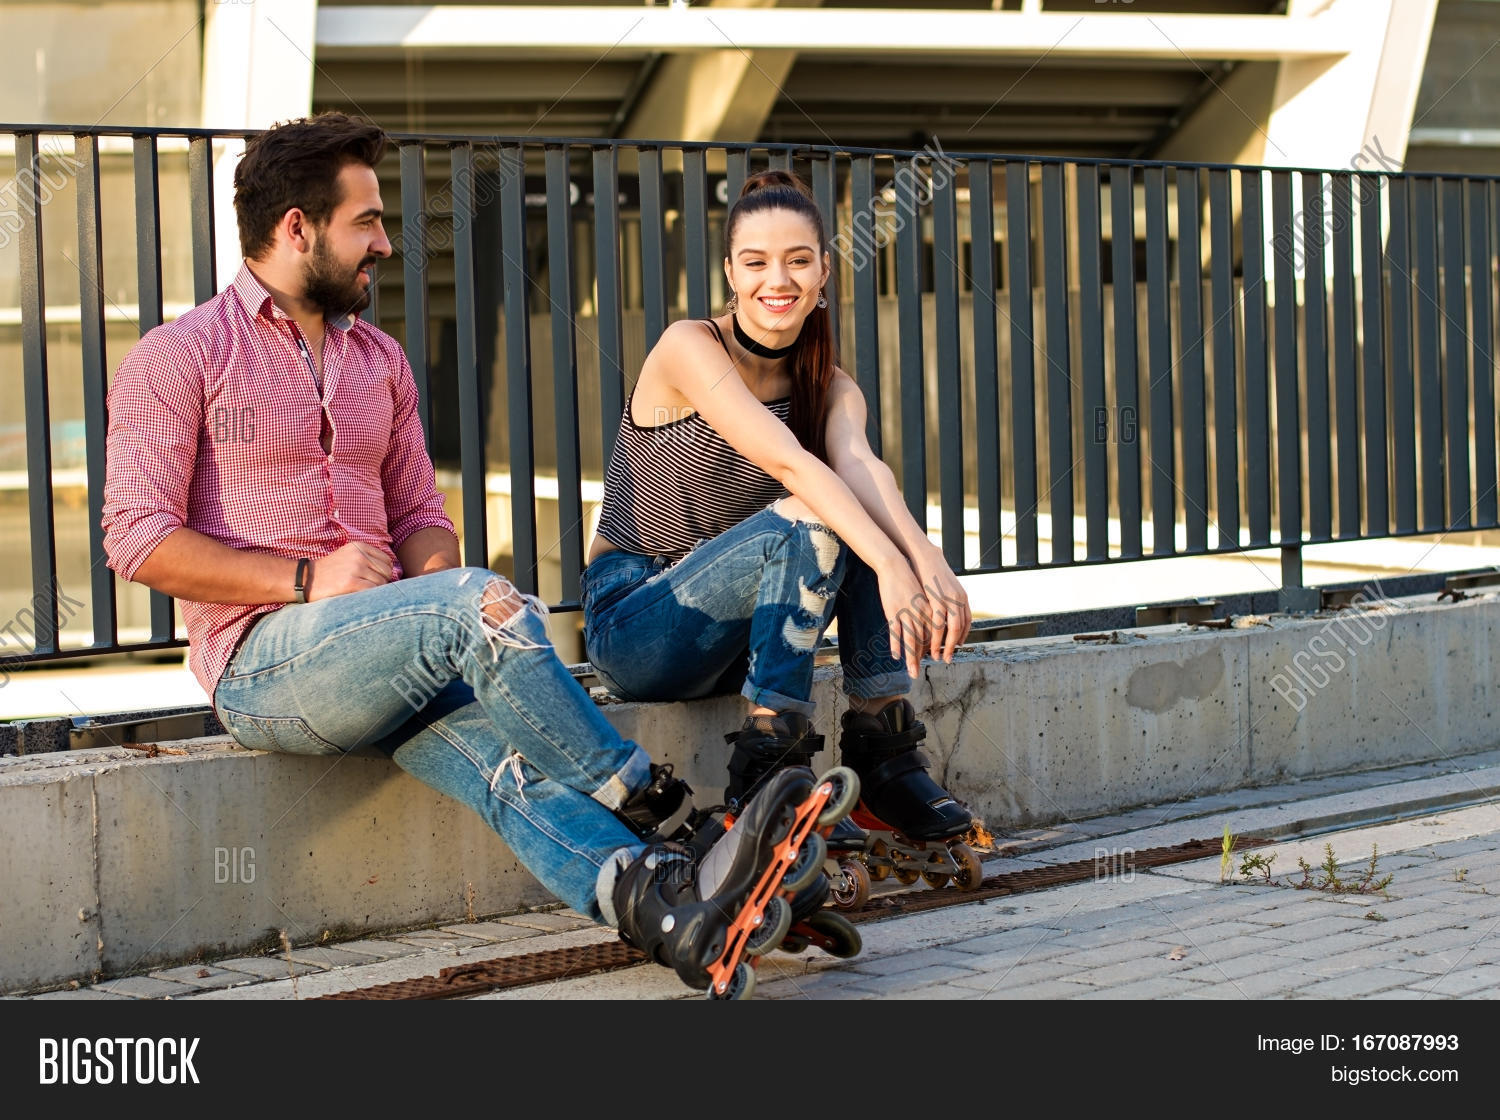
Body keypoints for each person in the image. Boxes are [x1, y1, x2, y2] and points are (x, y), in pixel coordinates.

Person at [99, 112, 838, 998]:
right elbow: (136, 538)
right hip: (264, 663)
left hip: (388, 649)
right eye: (365, 222)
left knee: (504, 768)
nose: (383, 242)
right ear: (296, 228)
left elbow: (419, 517)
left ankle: (665, 906)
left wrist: (428, 592)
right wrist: (311, 579)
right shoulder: (179, 357)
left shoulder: (380, 360)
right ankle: (661, 810)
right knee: (475, 604)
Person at [581, 169, 977, 902]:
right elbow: (787, 462)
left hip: (736, 642)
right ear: (731, 273)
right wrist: (886, 560)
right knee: (819, 509)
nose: (779, 280)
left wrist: (927, 562)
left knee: (849, 507)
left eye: (798, 260)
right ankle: (769, 776)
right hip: (639, 623)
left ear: (825, 271)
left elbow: (863, 468)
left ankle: (881, 750)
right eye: (757, 262)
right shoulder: (687, 347)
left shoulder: (830, 381)